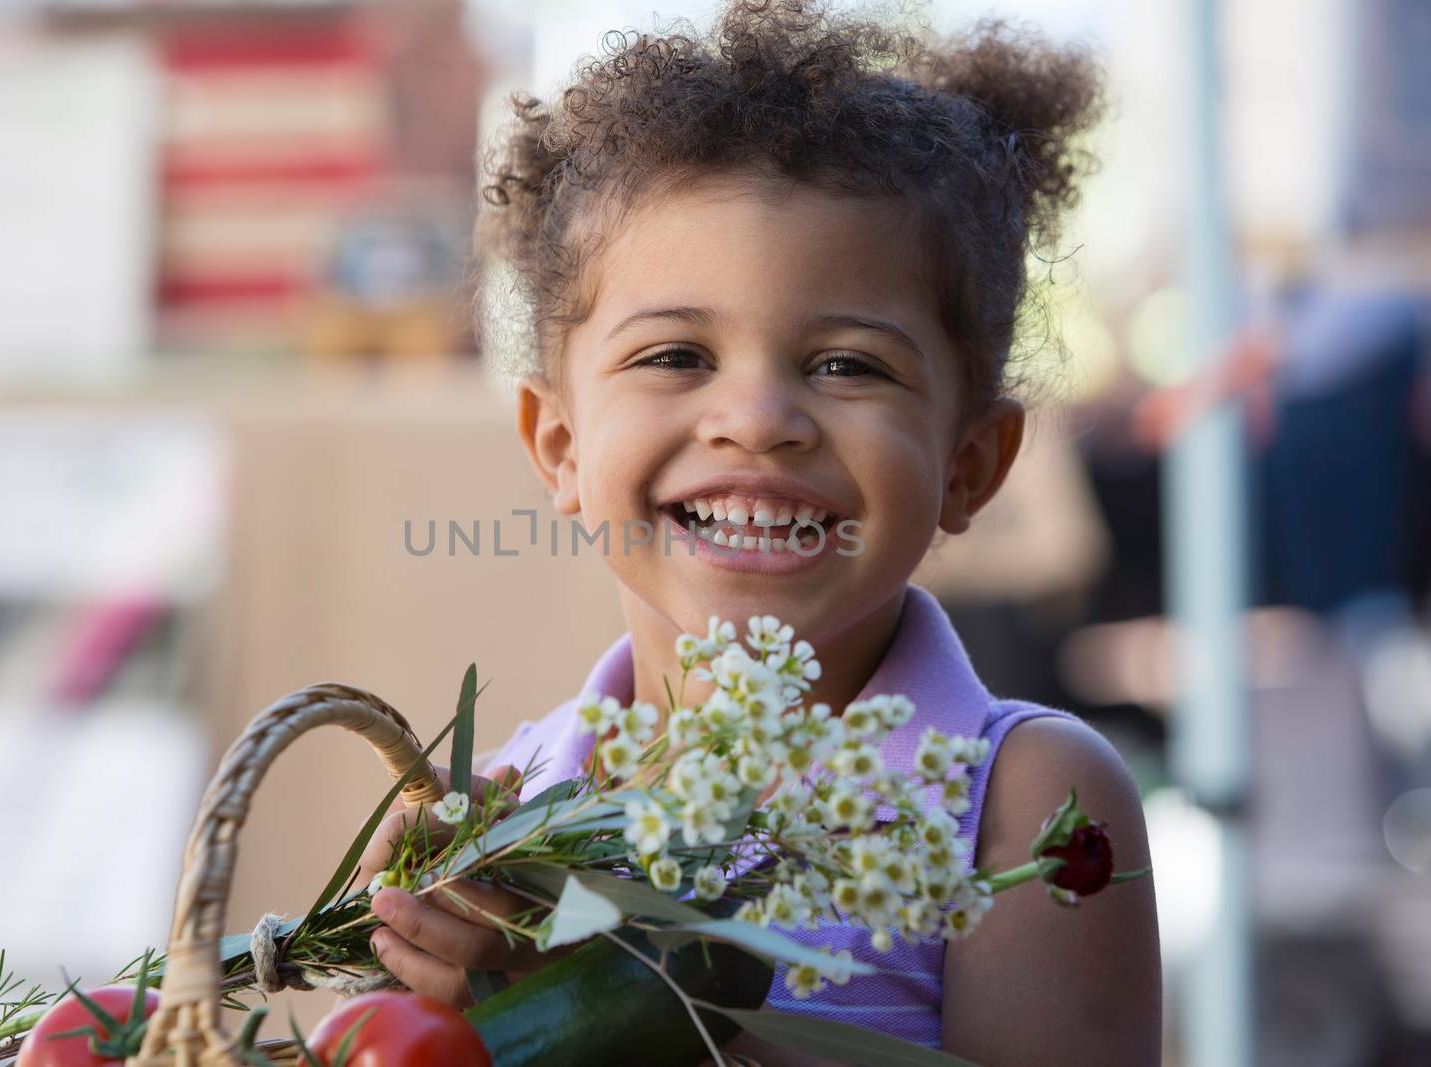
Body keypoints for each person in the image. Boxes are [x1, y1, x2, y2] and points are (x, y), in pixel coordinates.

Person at [359, 2, 1161, 1062]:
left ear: (971, 463)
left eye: (846, 365)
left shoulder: (1019, 800)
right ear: (556, 444)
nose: (757, 419)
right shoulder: (513, 807)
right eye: (675, 356)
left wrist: (615, 1007)